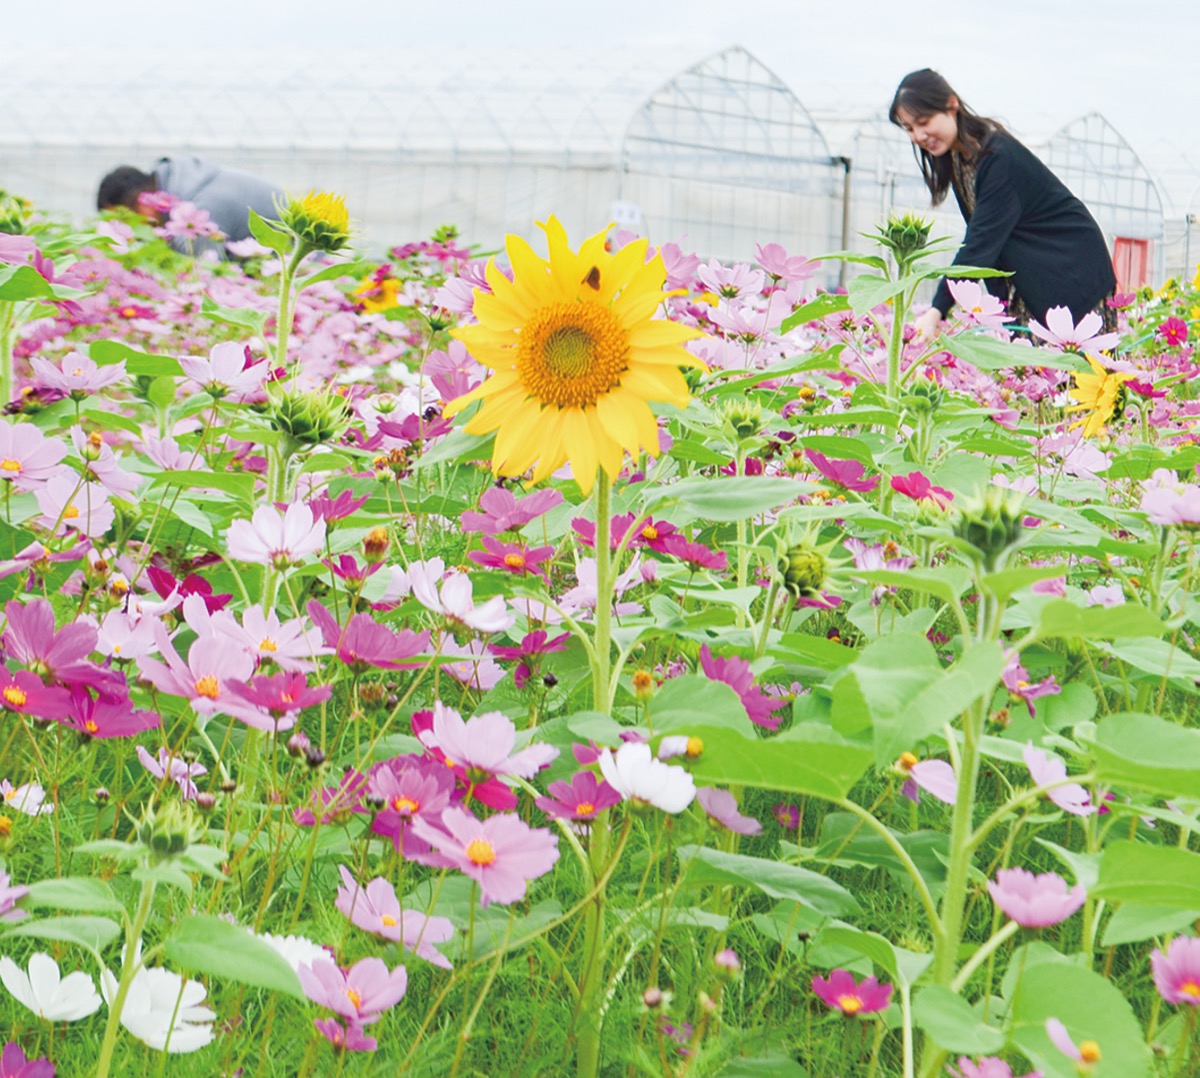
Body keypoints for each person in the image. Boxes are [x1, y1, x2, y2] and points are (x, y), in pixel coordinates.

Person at [889, 69, 1116, 340]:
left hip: (1070, 272)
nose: (918, 136)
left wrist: (937, 310)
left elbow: (980, 243)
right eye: (909, 129)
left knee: (1079, 378)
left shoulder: (997, 158)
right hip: (1044, 277)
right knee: (1040, 377)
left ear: (951, 105)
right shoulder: (961, 157)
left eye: (924, 122)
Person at [97, 157, 284, 258]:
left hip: (306, 266)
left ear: (143, 202)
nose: (131, 233)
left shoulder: (198, 208)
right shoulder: (186, 183)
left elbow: (206, 271)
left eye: (125, 220)